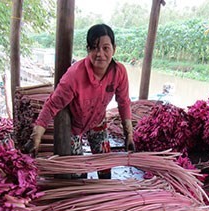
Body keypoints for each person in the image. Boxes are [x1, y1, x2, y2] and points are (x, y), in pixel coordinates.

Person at [27, 23, 135, 179]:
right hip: (74, 126)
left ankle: (103, 194)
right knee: (78, 173)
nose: (100, 54)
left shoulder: (119, 72)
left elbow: (124, 102)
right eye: (94, 48)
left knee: (105, 166)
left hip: (97, 122)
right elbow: (52, 105)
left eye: (106, 48)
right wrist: (36, 137)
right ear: (88, 49)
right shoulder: (75, 75)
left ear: (114, 49)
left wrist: (129, 134)